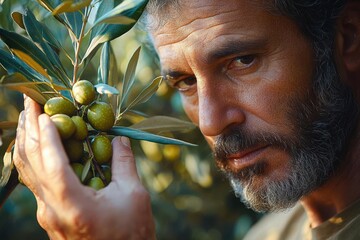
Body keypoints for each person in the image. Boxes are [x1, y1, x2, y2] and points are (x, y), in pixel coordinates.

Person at [13, 0, 360, 239]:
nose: (210, 122)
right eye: (186, 82)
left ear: (348, 37)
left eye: (242, 61)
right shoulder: (271, 233)